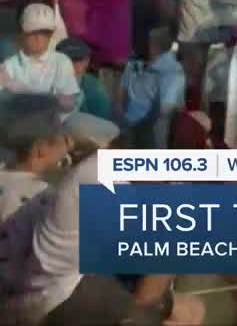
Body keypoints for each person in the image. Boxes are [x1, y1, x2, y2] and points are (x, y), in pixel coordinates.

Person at [0, 151, 206, 326]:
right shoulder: (98, 179)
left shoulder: (26, 186)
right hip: (54, 299)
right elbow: (147, 293)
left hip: (38, 287)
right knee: (189, 310)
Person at [117, 26, 185, 150]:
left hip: (147, 129)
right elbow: (166, 108)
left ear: (153, 45)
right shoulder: (134, 64)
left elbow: (166, 108)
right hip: (141, 129)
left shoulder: (171, 71)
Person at [53, 38, 111, 122]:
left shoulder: (95, 89)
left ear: (87, 61)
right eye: (66, 59)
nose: (72, 64)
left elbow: (101, 124)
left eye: (78, 60)